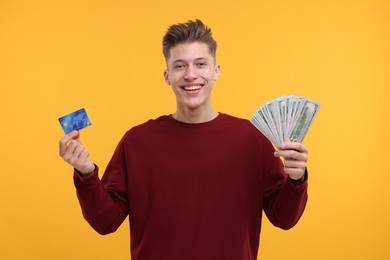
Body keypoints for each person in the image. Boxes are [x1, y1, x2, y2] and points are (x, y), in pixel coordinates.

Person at [59, 19, 309, 260]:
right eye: (180, 66)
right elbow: (106, 222)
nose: (191, 75)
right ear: (167, 76)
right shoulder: (137, 142)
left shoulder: (252, 139)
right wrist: (86, 174)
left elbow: (284, 219)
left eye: (200, 64)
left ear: (216, 71)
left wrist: (296, 179)